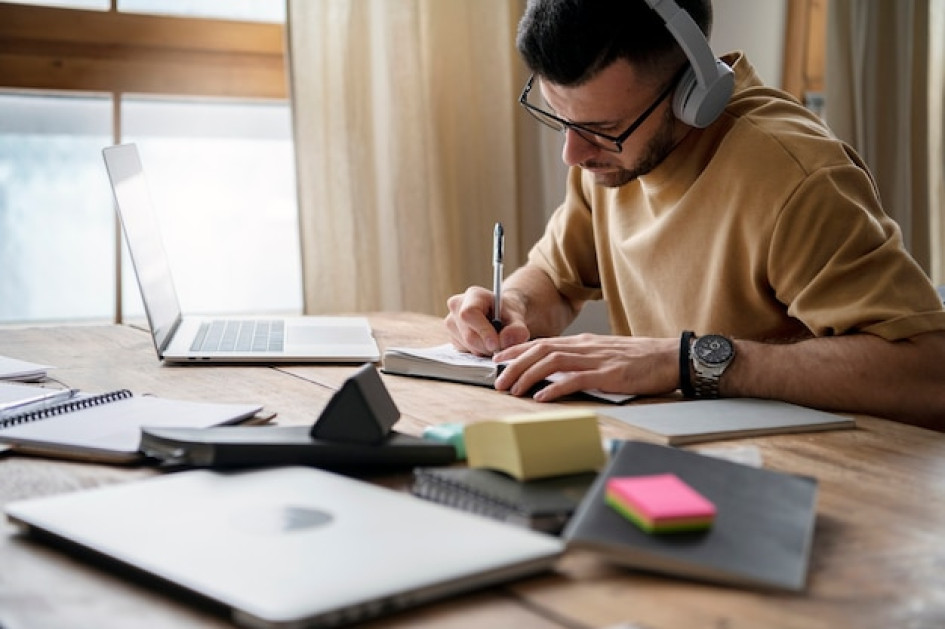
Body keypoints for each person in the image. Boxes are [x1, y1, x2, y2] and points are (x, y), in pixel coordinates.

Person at [445, 0, 945, 429]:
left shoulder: (796, 177)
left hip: (821, 480)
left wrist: (688, 361)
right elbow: (554, 280)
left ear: (693, 95)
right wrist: (513, 309)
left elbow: (929, 375)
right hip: (675, 453)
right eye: (560, 118)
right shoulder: (609, 160)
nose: (572, 155)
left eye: (601, 128)